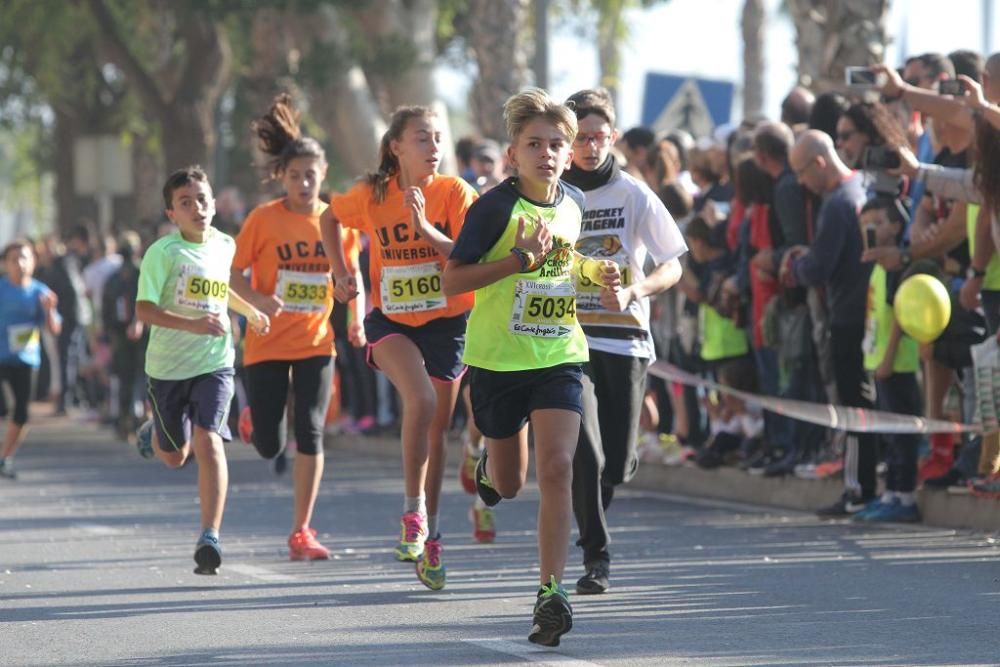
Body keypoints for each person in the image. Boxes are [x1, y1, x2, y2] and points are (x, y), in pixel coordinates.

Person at [443, 87, 620, 646]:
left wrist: (597, 276)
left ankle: (551, 593)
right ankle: (489, 471)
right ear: (513, 153)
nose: (547, 153)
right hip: (497, 361)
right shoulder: (493, 207)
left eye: (556, 145)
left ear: (569, 155)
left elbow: (566, 262)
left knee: (559, 468)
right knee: (513, 483)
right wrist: (519, 260)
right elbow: (454, 280)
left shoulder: (573, 202)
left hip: (559, 353)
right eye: (534, 144)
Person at [320, 105, 478, 591]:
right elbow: (329, 218)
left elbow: (471, 253)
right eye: (423, 139)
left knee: (436, 436)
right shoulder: (373, 194)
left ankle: (430, 538)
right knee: (422, 402)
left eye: (438, 139)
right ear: (397, 147)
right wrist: (340, 272)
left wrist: (428, 231)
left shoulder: (454, 193)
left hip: (448, 325)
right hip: (390, 320)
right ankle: (412, 514)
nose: (434, 148)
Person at [560, 88, 685, 594]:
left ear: (612, 137)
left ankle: (593, 516)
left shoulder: (633, 194)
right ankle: (597, 557)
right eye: (581, 138)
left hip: (627, 338)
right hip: (569, 338)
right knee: (584, 450)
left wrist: (637, 287)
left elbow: (673, 263)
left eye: (599, 136)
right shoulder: (553, 194)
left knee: (618, 461)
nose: (590, 147)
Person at [230, 94, 361, 562]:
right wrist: (258, 299)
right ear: (281, 177)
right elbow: (233, 273)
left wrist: (357, 318)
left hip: (315, 341)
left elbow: (352, 275)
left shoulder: (337, 222)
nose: (303, 182)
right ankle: (255, 420)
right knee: (269, 444)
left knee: (310, 431)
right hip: (265, 341)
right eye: (294, 175)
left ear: (323, 175)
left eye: (311, 174)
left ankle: (301, 530)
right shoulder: (263, 220)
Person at [135, 166, 269, 575]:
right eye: (185, 202)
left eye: (203, 199)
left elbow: (219, 288)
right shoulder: (163, 253)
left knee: (209, 440)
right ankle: (153, 431)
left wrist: (250, 311)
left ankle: (210, 534)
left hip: (215, 362)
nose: (197, 208)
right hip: (167, 367)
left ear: (214, 203)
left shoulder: (224, 245)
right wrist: (192, 323)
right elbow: (144, 309)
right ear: (171, 213)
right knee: (175, 457)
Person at [783, 130, 874, 516]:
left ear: (819, 162)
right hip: (867, 313)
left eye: (802, 173)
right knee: (866, 403)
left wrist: (794, 266)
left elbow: (819, 266)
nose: (802, 183)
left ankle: (858, 489)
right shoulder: (862, 188)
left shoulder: (838, 202)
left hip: (849, 316)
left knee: (855, 405)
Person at [854, 198, 923, 522]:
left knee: (901, 434)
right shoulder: (878, 267)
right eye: (866, 223)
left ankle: (905, 496)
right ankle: (891, 493)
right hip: (879, 360)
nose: (872, 229)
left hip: (897, 364)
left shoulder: (897, 267)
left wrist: (888, 357)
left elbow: (898, 317)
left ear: (896, 226)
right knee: (888, 434)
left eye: (878, 222)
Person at [0, 241, 62, 479]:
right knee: (4, 406)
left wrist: (49, 310)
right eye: (14, 259)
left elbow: (54, 328)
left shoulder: (40, 292)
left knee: (21, 414)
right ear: (5, 264)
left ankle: (5, 457)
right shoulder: (2, 289)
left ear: (33, 262)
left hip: (26, 359)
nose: (20, 264)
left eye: (24, 258)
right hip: (1, 358)